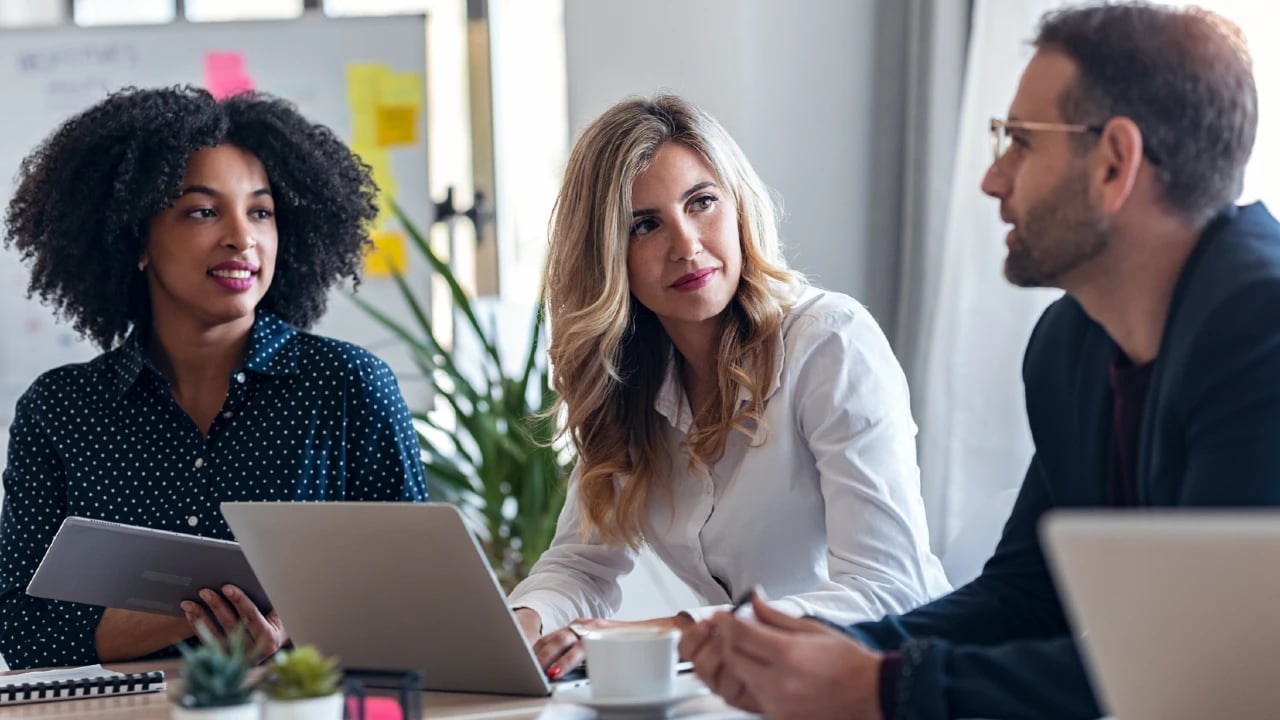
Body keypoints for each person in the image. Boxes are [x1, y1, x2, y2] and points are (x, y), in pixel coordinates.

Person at [679, 3, 1279, 719]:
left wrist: (882, 686)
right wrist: (827, 649)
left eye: (1020, 142)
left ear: (1115, 162)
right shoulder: (1069, 347)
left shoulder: (1260, 330)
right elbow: (1027, 597)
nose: (994, 179)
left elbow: (1204, 666)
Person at [506, 94, 950, 679]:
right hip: (748, 692)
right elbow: (582, 565)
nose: (686, 244)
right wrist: (522, 627)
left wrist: (665, 633)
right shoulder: (629, 384)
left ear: (738, 205)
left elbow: (889, 588)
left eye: (702, 203)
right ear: (609, 255)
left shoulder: (830, 343)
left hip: (887, 683)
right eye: (645, 225)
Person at [0, 86, 428, 670]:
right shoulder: (62, 410)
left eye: (261, 211)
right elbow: (20, 628)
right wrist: (161, 618)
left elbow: (422, 602)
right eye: (203, 210)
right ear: (136, 238)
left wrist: (290, 633)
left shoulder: (349, 387)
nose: (242, 237)